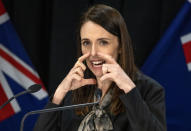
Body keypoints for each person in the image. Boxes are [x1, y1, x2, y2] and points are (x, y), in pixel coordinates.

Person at [34, 4, 166, 131]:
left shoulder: (149, 90)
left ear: (120, 46)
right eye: (86, 43)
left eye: (103, 42)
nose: (92, 53)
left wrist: (128, 88)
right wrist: (59, 94)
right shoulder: (72, 92)